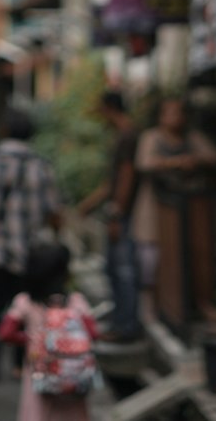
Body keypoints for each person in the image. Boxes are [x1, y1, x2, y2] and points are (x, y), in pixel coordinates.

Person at [0, 107, 62, 382]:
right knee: (28, 306)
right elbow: (54, 212)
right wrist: (55, 237)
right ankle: (20, 364)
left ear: (4, 130)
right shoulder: (41, 166)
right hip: (31, 252)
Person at [131, 96, 216, 322]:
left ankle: (198, 305)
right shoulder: (151, 137)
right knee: (152, 261)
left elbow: (215, 156)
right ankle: (155, 307)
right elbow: (143, 163)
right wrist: (174, 162)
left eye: (178, 112)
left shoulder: (191, 137)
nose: (174, 117)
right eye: (169, 112)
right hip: (155, 208)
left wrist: (194, 160)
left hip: (188, 210)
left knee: (194, 256)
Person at [0, 240, 99, 421]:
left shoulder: (26, 302)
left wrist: (31, 339)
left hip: (39, 377)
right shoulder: (75, 301)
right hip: (72, 383)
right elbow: (92, 333)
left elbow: (5, 332)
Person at [76, 89, 141, 342]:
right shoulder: (124, 134)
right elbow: (114, 181)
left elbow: (125, 177)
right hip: (121, 211)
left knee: (122, 271)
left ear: (108, 108)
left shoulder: (126, 136)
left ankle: (126, 327)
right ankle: (121, 323)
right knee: (115, 270)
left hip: (123, 214)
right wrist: (90, 204)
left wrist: (116, 213)